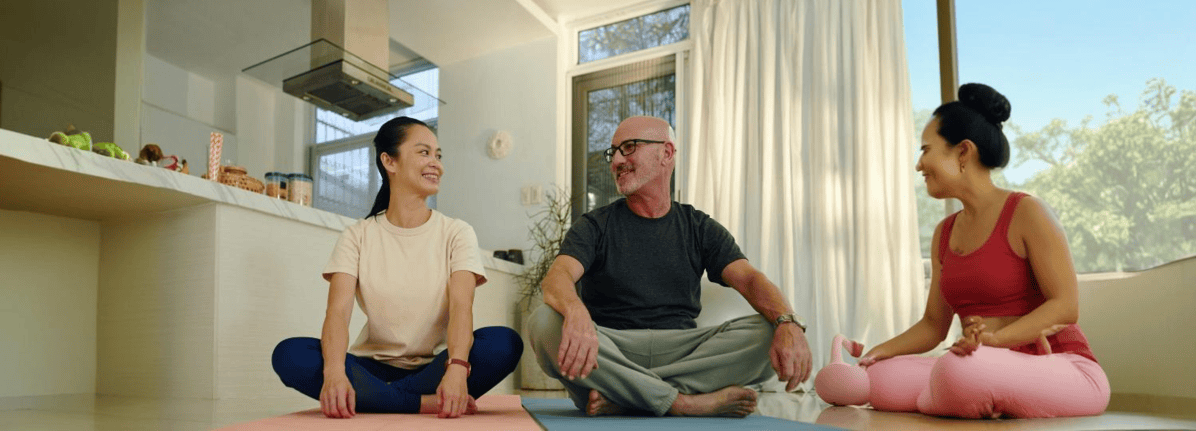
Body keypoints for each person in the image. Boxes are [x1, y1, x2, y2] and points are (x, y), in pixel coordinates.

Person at [852, 83, 1109, 418]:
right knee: (879, 379)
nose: (919, 165)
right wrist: (877, 353)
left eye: (926, 150)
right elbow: (933, 324)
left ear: (963, 152)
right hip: (982, 364)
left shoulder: (1027, 212)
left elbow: (1065, 307)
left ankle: (952, 397)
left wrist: (996, 341)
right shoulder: (944, 233)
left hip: (1063, 367)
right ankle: (959, 400)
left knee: (957, 372)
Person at [527, 115, 813, 418]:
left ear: (666, 153)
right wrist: (575, 311)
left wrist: (788, 322)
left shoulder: (699, 227)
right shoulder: (594, 225)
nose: (616, 161)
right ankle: (682, 403)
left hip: (682, 351)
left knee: (769, 330)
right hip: (611, 348)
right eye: (613, 153)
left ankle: (629, 397)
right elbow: (558, 276)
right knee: (543, 323)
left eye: (629, 147)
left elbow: (750, 279)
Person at [271, 116, 523, 419]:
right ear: (389, 161)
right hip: (369, 367)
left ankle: (377, 398)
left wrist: (457, 368)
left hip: (436, 367)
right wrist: (335, 372)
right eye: (424, 152)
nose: (436, 164)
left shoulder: (457, 232)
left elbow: (461, 307)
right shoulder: (357, 235)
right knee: (290, 354)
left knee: (503, 344)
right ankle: (422, 402)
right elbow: (337, 313)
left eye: (438, 155)